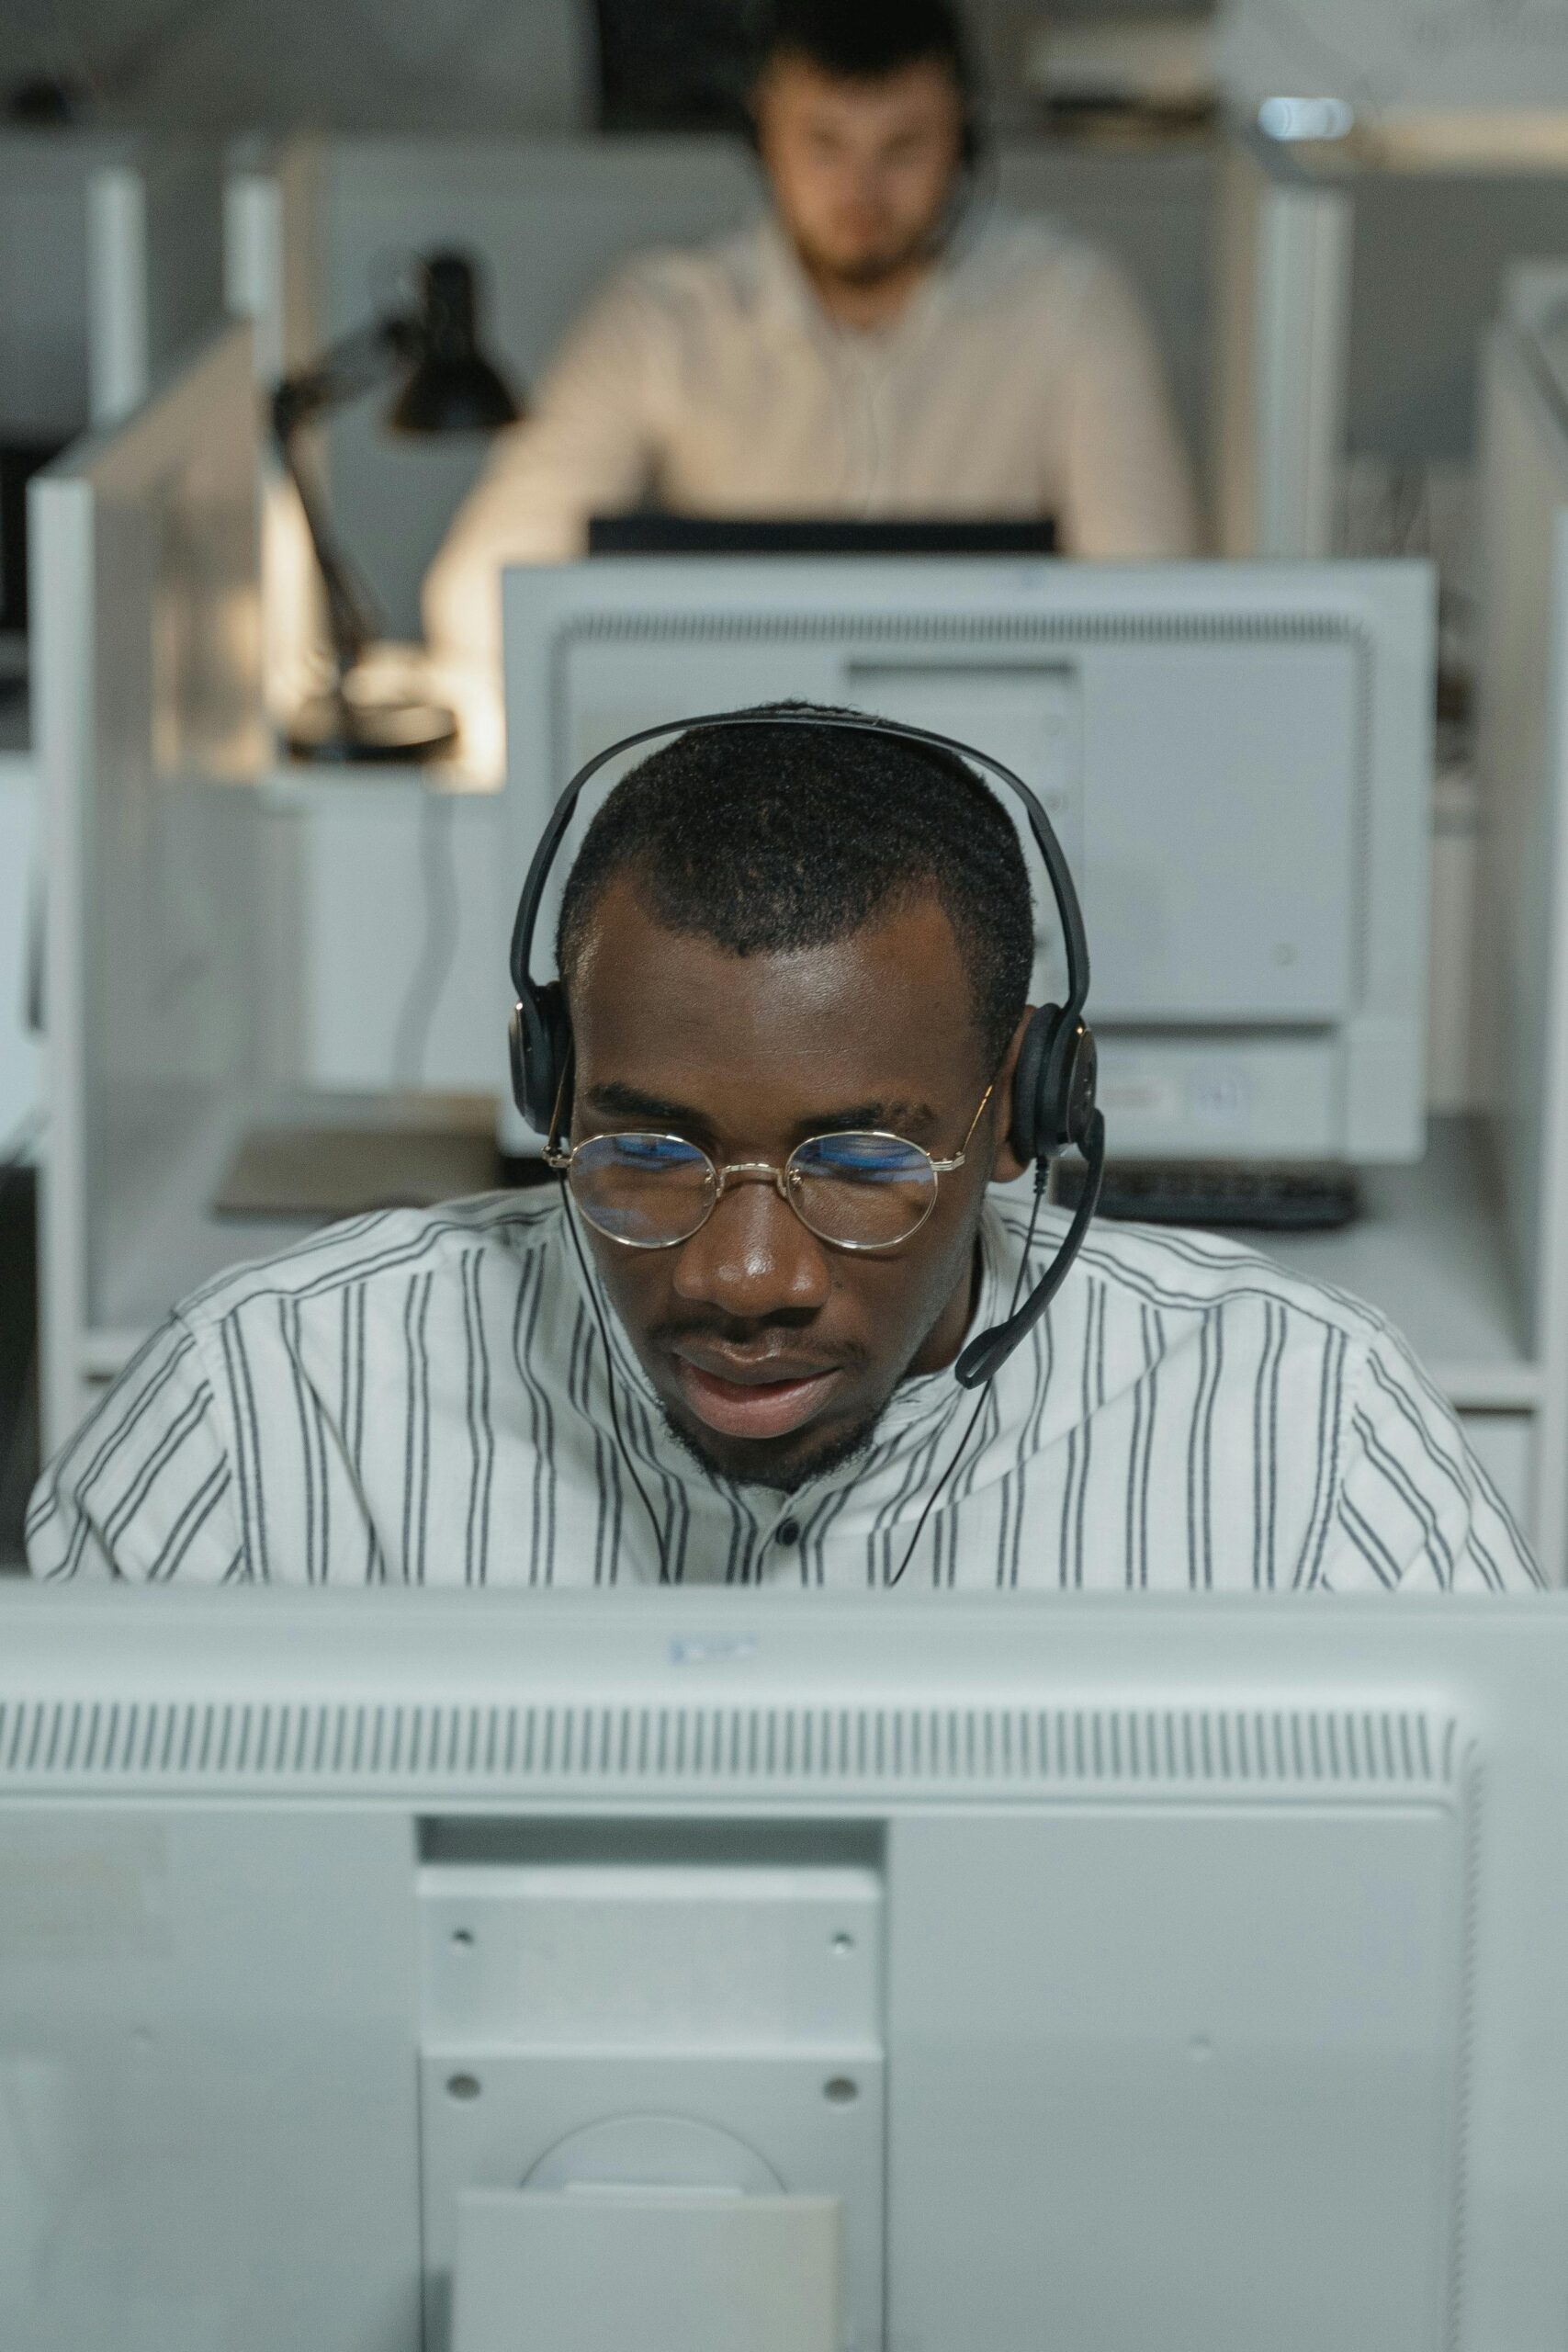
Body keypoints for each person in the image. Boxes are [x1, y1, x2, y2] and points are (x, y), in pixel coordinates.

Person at [27, 707, 1536, 1591]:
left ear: (1019, 1113)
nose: (744, 1276)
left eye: (863, 1165)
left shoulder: (1305, 1443)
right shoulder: (259, 1414)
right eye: (647, 1157)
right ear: (549, 1091)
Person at [423, 0, 1200, 679]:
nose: (860, 193)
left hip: (987, 772)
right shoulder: (665, 315)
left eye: (901, 148)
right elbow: (476, 594)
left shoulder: (1064, 300)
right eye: (824, 144)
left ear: (961, 136)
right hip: (737, 769)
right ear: (763, 130)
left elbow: (1148, 602)